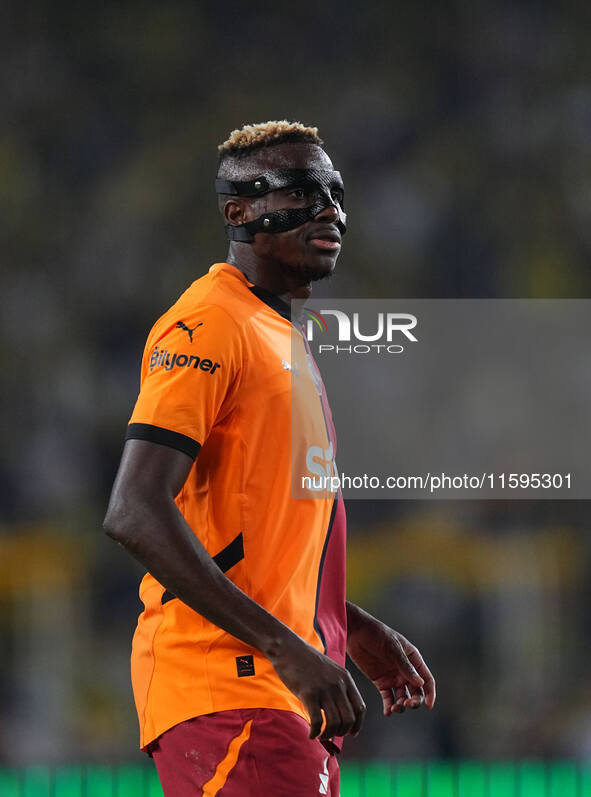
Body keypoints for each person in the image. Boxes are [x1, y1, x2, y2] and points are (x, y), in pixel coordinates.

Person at [104, 120, 435, 796]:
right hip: (231, 686)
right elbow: (134, 508)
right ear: (239, 212)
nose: (331, 212)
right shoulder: (207, 323)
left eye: (335, 194)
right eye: (302, 191)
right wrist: (288, 646)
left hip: (271, 689)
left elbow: (258, 532)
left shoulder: (278, 337)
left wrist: (345, 622)